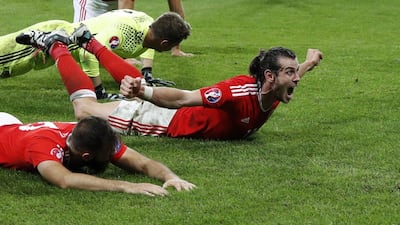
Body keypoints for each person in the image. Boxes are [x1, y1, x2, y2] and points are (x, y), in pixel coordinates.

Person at [16, 25, 323, 140]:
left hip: (168, 112)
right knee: (85, 110)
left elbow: (289, 81)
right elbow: (183, 98)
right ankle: (56, 45)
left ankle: (88, 41)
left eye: (297, 72)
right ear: (270, 77)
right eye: (291, 72)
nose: (297, 79)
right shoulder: (237, 91)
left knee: (133, 83)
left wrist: (308, 64)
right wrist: (146, 92)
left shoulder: (276, 88)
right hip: (165, 121)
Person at [0, 10, 191, 99]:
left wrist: (146, 71)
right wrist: (98, 90)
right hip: (49, 38)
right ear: (165, 43)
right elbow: (88, 52)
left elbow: (149, 45)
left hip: (60, 45)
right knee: (6, 65)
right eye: (173, 45)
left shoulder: (150, 28)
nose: (171, 49)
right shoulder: (122, 33)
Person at [0, 112, 196, 196]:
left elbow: (143, 163)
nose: (114, 154)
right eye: (109, 153)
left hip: (11, 124)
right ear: (86, 156)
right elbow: (64, 180)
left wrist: (171, 177)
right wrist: (127, 186)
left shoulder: (91, 135)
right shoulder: (43, 147)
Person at [72, 0, 193, 57]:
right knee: (80, 42)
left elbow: (177, 12)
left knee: (104, 49)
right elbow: (123, 14)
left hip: (118, 3)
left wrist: (175, 48)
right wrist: (125, 57)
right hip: (93, 3)